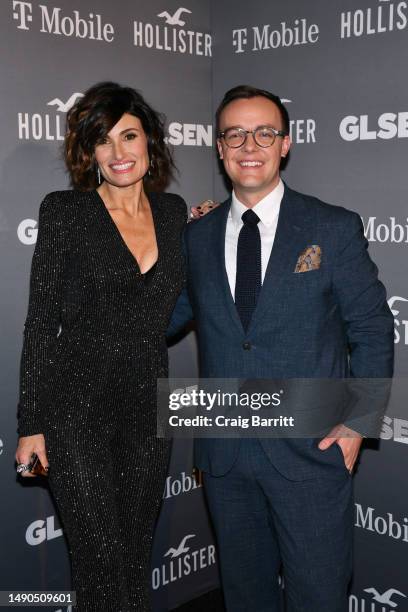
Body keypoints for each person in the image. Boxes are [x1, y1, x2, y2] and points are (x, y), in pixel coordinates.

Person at [168, 85, 394, 611]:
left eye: (265, 132)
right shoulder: (195, 237)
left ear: (285, 144)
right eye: (235, 134)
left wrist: (357, 424)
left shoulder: (332, 227)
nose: (251, 144)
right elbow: (163, 320)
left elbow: (372, 330)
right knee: (245, 597)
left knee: (318, 595)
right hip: (223, 450)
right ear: (220, 148)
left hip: (310, 452)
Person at [15, 81, 187, 611]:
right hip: (76, 411)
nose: (118, 152)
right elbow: (41, 321)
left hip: (147, 412)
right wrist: (31, 424)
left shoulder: (176, 213)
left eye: (129, 135)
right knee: (98, 564)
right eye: (103, 140)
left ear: (149, 142)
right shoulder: (64, 211)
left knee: (134, 558)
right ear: (88, 151)